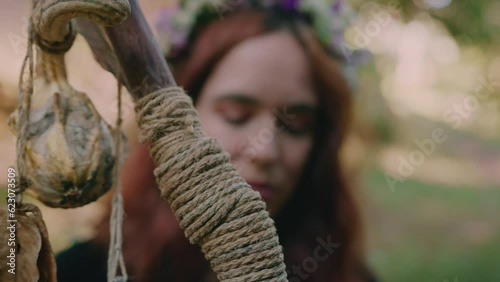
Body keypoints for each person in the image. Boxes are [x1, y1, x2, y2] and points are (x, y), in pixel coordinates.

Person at [57, 1, 377, 281]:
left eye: (297, 125)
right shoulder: (79, 272)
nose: (264, 151)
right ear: (180, 113)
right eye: (236, 114)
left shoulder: (344, 274)